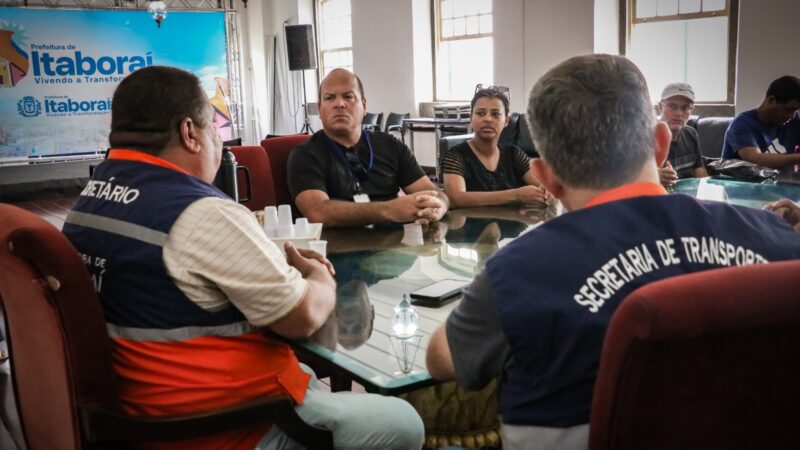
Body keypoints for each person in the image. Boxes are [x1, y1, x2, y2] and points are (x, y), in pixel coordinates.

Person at [425, 54, 800, 450]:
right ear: (661, 144)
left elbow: (442, 359)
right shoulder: (781, 245)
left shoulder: (516, 275)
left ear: (547, 178)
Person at [62, 66, 423, 450]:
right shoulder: (199, 211)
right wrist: (319, 274)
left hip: (144, 407)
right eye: (214, 129)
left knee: (308, 372)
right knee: (404, 423)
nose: (219, 143)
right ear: (189, 133)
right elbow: (304, 317)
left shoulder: (88, 201)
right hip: (226, 425)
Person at [288, 68, 448, 227]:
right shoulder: (305, 155)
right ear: (320, 109)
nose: (339, 104)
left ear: (364, 106)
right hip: (336, 242)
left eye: (348, 96)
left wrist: (438, 207)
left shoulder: (390, 145)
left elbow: (436, 194)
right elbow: (317, 213)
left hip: (392, 240)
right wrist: (389, 210)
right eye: (329, 98)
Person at [442, 88, 548, 208]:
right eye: (480, 113)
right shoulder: (456, 155)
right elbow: (456, 199)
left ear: (506, 121)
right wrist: (516, 195)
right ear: (471, 118)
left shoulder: (514, 154)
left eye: (495, 114)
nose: (488, 119)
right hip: (471, 220)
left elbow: (542, 185)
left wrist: (548, 190)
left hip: (514, 220)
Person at [721, 75, 800, 170]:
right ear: (771, 101)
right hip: (743, 179)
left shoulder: (795, 120)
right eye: (789, 110)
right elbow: (755, 160)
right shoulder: (741, 124)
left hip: (784, 179)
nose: (792, 116)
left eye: (796, 111)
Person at [656, 82, 708, 187]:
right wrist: (653, 175)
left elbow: (700, 171)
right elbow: (625, 175)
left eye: (685, 108)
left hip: (687, 194)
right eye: (672, 106)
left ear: (691, 110)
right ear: (660, 107)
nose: (679, 113)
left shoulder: (691, 134)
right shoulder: (643, 137)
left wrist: (708, 191)